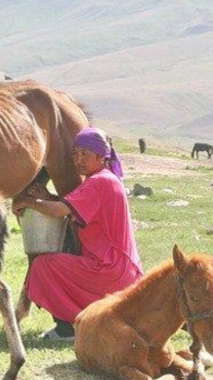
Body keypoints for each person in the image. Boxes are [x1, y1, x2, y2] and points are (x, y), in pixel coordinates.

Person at [12, 127, 143, 341]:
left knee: (42, 266)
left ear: (101, 157)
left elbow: (60, 211)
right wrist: (48, 197)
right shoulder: (103, 179)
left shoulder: (99, 182)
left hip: (108, 269)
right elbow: (70, 207)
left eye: (85, 154)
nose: (78, 160)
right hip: (120, 269)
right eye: (75, 154)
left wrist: (28, 201)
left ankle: (67, 330)